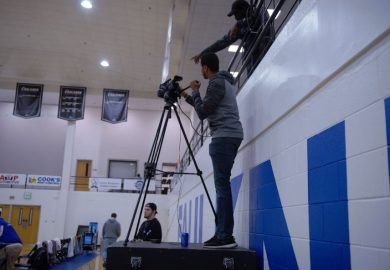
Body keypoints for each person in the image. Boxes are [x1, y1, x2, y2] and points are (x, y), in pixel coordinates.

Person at [182, 53, 243, 249]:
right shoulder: (223, 83)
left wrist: (195, 92)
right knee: (222, 187)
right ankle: (222, 233)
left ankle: (225, 235)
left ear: (206, 68)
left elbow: (201, 113)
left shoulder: (216, 83)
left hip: (224, 136)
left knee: (222, 188)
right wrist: (186, 95)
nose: (201, 71)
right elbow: (207, 107)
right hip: (230, 135)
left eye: (202, 68)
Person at [191, 0, 273, 76]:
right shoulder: (239, 27)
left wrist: (239, 24)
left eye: (236, 14)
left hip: (264, 54)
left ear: (243, 10)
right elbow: (221, 43)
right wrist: (202, 53)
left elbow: (266, 27)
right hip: (252, 61)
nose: (235, 18)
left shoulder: (260, 10)